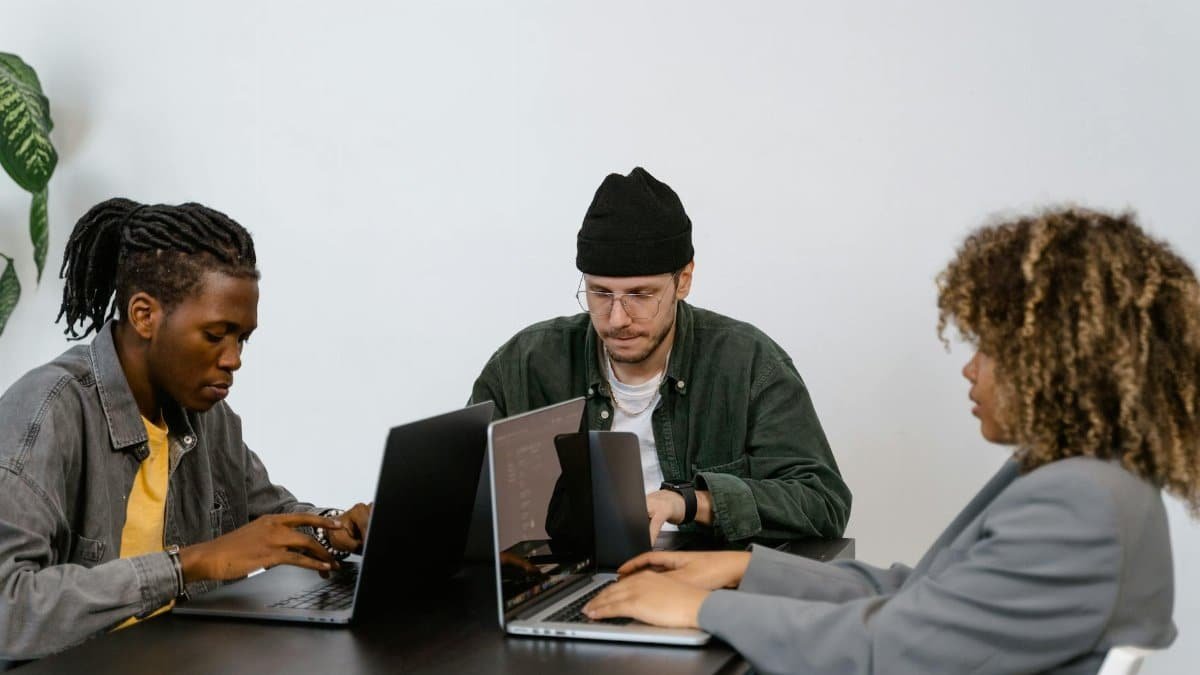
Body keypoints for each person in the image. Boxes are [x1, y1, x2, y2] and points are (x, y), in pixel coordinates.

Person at [583, 207, 1193, 674]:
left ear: (1058, 366)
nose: (970, 369)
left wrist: (700, 609)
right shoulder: (1079, 476)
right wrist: (740, 569)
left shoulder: (1081, 504)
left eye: (990, 350)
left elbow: (887, 647)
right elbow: (919, 596)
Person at [0, 199, 370, 664]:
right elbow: (8, 608)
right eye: (216, 335)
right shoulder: (47, 413)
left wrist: (333, 528)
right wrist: (189, 563)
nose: (234, 359)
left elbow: (266, 518)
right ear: (144, 315)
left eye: (242, 339)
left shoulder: (205, 413)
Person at [470, 167, 850, 545]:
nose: (617, 319)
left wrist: (691, 503)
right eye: (600, 294)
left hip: (698, 576)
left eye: (640, 295)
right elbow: (463, 500)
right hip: (570, 574)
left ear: (683, 280)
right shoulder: (523, 365)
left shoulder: (748, 364)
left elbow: (823, 502)